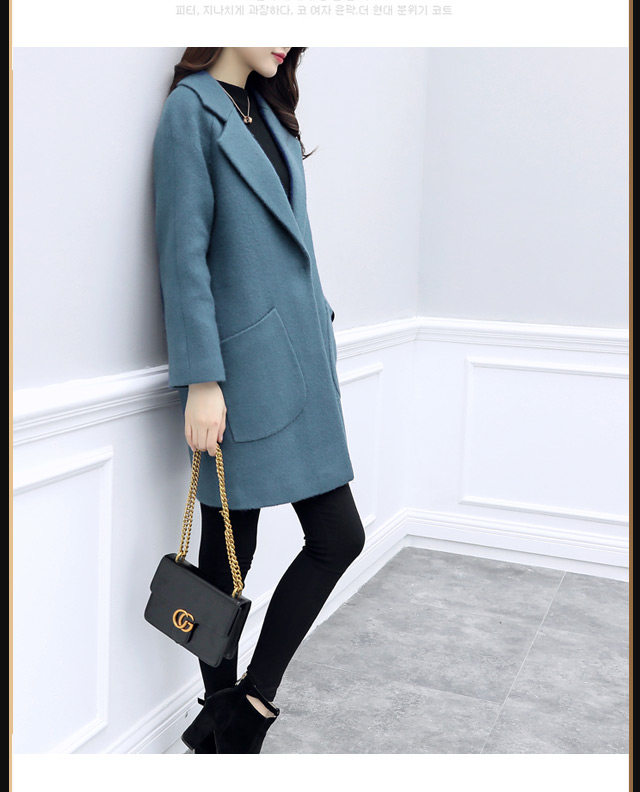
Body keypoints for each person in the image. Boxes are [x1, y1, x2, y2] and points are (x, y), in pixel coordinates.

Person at [152, 47, 365, 754]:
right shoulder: (191, 113)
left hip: (301, 360)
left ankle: (242, 710)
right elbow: (183, 254)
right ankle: (227, 719)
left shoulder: (270, 114)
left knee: (338, 537)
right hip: (237, 375)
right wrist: (200, 380)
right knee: (228, 555)